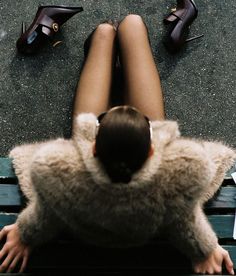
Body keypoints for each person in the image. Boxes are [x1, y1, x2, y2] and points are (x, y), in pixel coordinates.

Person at [0, 15, 235, 274]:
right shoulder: (172, 180)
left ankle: (103, 36)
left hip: (100, 169)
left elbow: (46, 215)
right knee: (133, 24)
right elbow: (186, 222)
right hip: (142, 168)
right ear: (152, 149)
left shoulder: (65, 177)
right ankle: (113, 39)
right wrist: (205, 248)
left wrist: (25, 235)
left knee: (107, 31)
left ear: (93, 147)